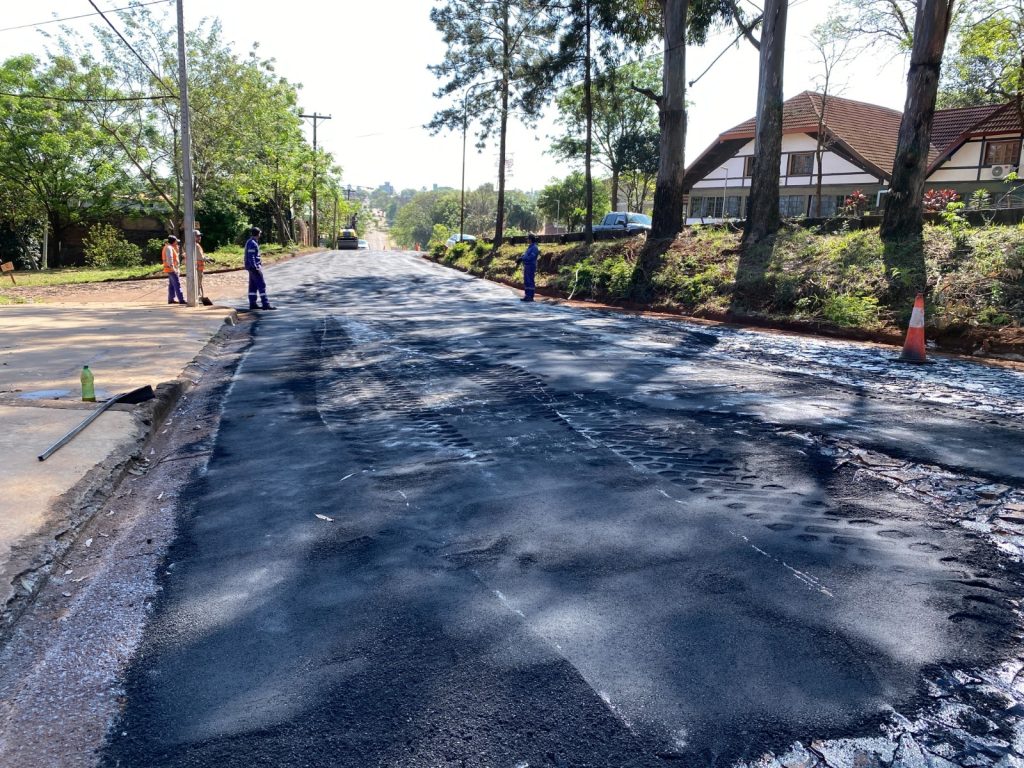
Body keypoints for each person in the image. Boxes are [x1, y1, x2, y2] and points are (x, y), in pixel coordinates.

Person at [244, 227, 276, 310]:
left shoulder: (250, 241)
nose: (260, 235)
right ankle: (265, 304)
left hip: (250, 267)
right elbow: (251, 256)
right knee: (261, 285)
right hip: (254, 268)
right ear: (258, 234)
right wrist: (255, 267)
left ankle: (252, 303)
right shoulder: (253, 243)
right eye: (260, 233)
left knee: (253, 286)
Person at [162, 235, 185, 305]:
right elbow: (170, 259)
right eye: (176, 242)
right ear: (174, 242)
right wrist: (173, 268)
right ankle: (181, 300)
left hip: (169, 269)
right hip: (171, 269)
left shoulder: (168, 247)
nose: (177, 243)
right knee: (177, 285)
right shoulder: (169, 248)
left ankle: (171, 299)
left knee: (172, 285)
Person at [517, 233, 540, 302]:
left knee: (530, 281)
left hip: (531, 266)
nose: (527, 240)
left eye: (528, 239)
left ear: (530, 239)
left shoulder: (534, 248)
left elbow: (530, 257)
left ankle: (530, 296)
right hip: (527, 266)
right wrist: (521, 258)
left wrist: (522, 259)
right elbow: (526, 255)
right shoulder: (530, 247)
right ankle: (527, 296)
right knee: (527, 281)